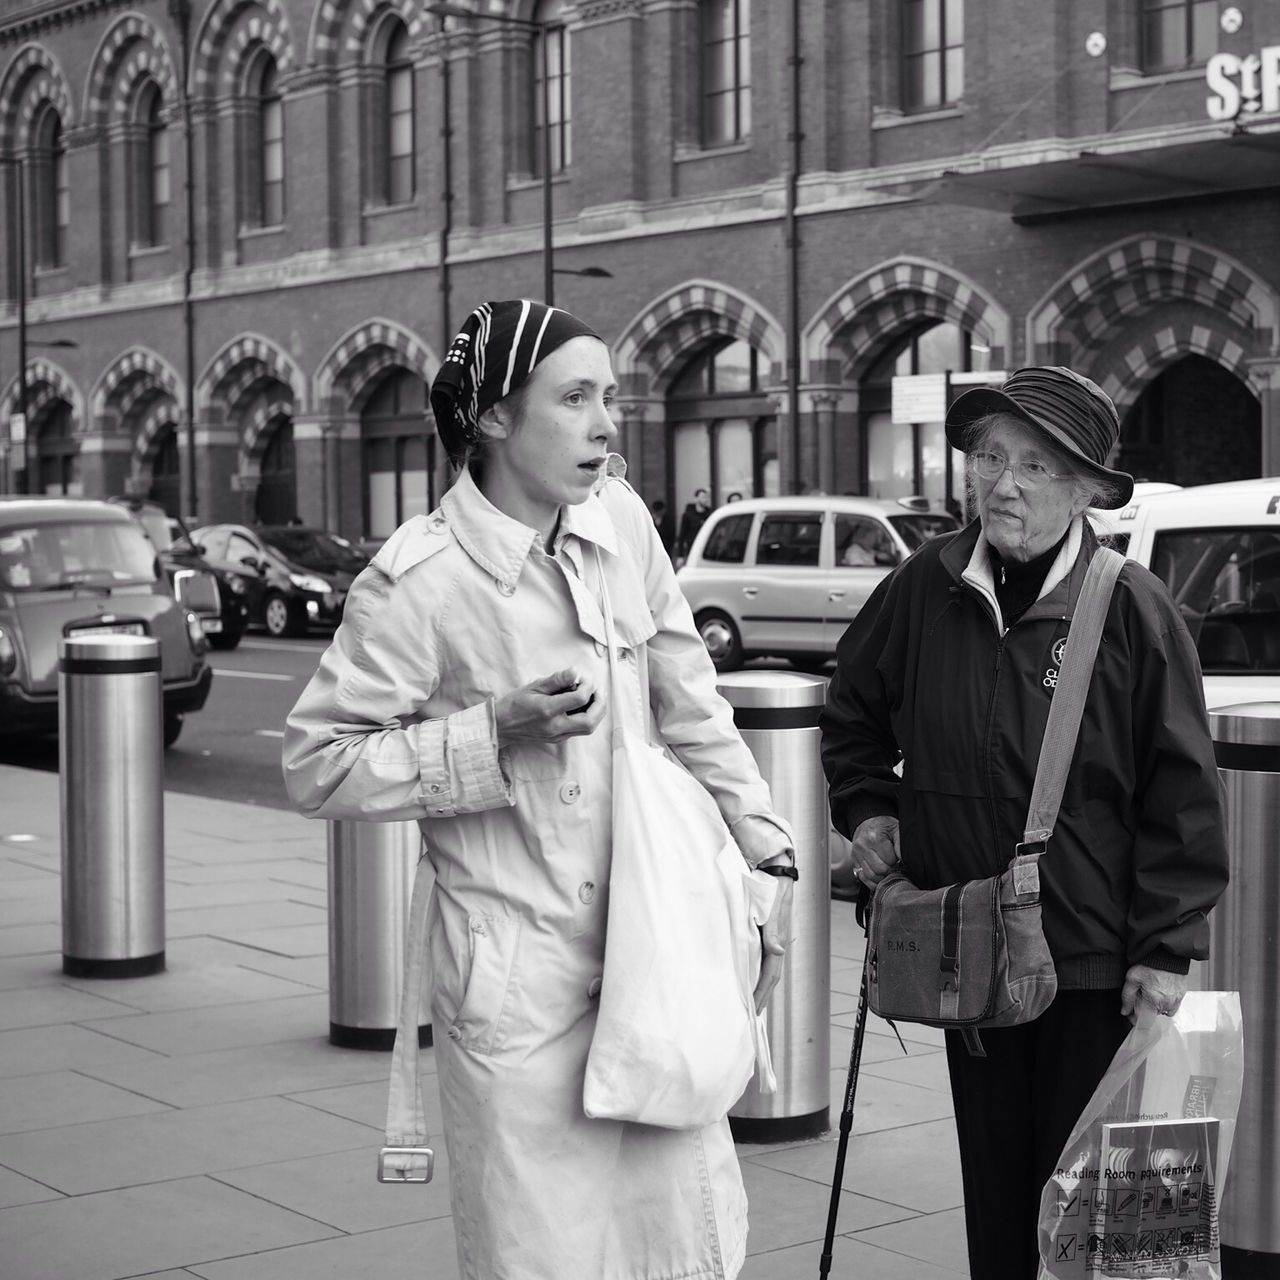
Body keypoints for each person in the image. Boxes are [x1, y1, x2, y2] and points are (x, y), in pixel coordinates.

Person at [282, 299, 797, 1280]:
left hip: (654, 961)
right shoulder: (419, 578)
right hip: (518, 993)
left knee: (683, 1250)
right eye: (574, 398)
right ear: (490, 417)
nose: (607, 422)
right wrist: (488, 735)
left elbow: (690, 701)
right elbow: (317, 762)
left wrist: (764, 852)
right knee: (542, 1259)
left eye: (608, 395)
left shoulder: (622, 521)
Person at [819, 366, 1228, 1280]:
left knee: (1100, 1226)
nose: (1001, 482)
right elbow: (852, 715)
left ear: (1087, 488)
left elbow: (1184, 794)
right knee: (999, 1202)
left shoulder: (1131, 605)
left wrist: (1165, 951)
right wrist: (870, 808)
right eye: (990, 456)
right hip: (971, 954)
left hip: (1096, 967)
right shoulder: (926, 584)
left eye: (1035, 466)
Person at [677, 486, 712, 557]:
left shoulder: (710, 514)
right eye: (703, 497)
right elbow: (682, 535)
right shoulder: (688, 515)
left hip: (707, 548)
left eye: (707, 497)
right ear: (696, 499)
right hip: (693, 548)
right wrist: (680, 555)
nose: (706, 500)